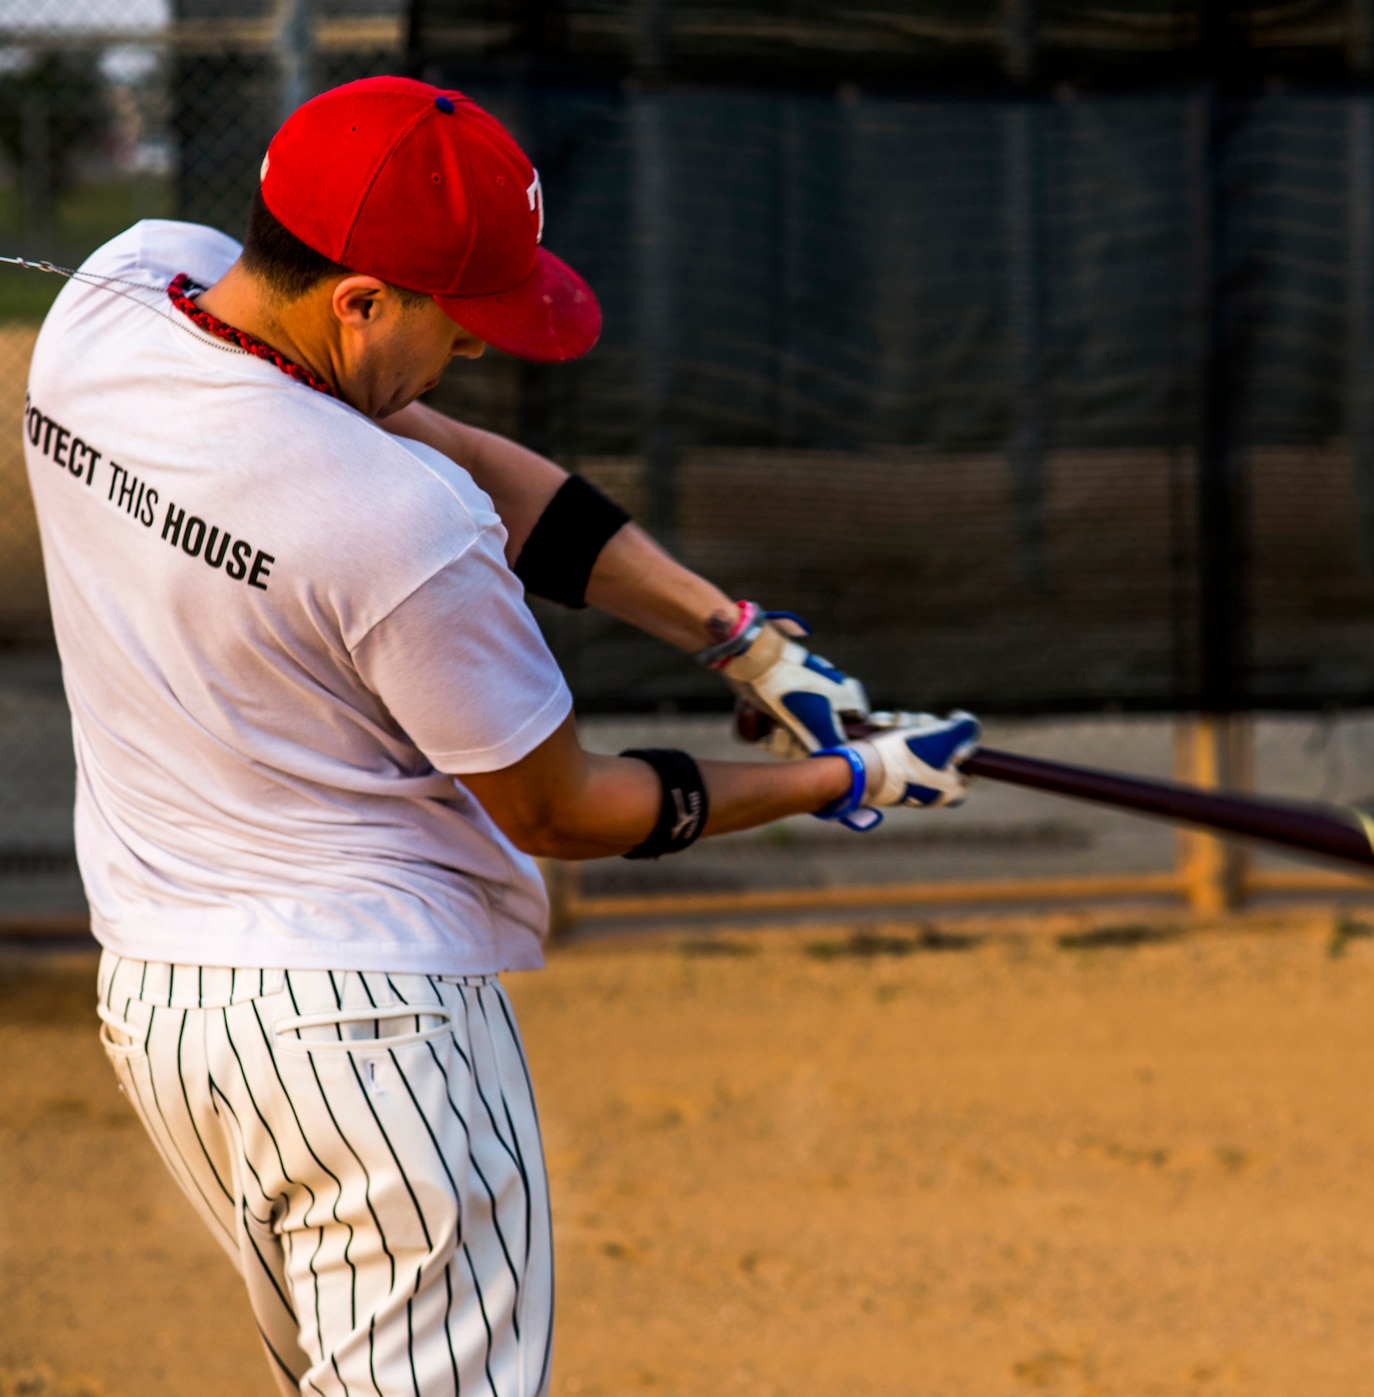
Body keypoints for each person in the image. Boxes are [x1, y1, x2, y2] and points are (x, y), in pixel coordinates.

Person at [23, 75, 979, 1397]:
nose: (468, 356)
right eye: (454, 326)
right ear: (356, 300)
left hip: (168, 1001)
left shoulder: (118, 296)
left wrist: (742, 638)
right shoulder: (396, 523)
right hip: (373, 1031)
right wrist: (846, 773)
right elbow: (563, 809)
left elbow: (461, 451)